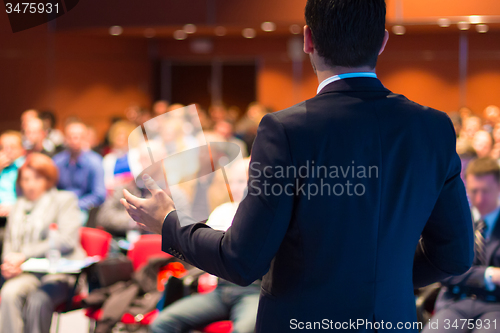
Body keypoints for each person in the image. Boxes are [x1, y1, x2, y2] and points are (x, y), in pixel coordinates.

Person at [122, 1, 474, 332]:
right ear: (382, 42)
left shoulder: (287, 130)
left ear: (308, 39)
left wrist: (170, 224)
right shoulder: (433, 127)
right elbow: (455, 256)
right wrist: (382, 277)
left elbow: (242, 260)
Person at [150, 159, 260, 333]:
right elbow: (204, 251)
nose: (236, 188)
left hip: (253, 291)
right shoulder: (223, 211)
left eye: (242, 181)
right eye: (232, 182)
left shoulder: (263, 217)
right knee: (162, 323)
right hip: (221, 290)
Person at [0, 153, 86, 333]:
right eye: (25, 179)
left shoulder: (64, 200)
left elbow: (66, 240)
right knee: (9, 292)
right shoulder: (17, 206)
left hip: (59, 272)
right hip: (27, 272)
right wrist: (8, 262)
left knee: (38, 299)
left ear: (48, 179)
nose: (31, 184)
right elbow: (9, 240)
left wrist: (23, 255)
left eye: (37, 178)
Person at [422, 157, 500, 333]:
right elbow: (444, 272)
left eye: (485, 191)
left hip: (496, 306)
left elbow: (455, 270)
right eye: (474, 191)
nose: (479, 199)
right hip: (455, 301)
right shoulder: (455, 221)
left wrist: (467, 274)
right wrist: (489, 274)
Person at [52, 120, 106, 223]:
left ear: (85, 138)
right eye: (70, 136)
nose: (74, 140)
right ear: (65, 139)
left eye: (78, 137)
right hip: (59, 206)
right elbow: (51, 188)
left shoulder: (95, 162)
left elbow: (99, 194)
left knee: (70, 222)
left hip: (82, 209)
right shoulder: (57, 161)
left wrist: (76, 205)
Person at [0, 131, 26, 217]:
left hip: (19, 213)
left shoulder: (26, 167)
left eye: (12, 147)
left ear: (22, 149)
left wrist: (14, 208)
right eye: (2, 148)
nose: (6, 151)